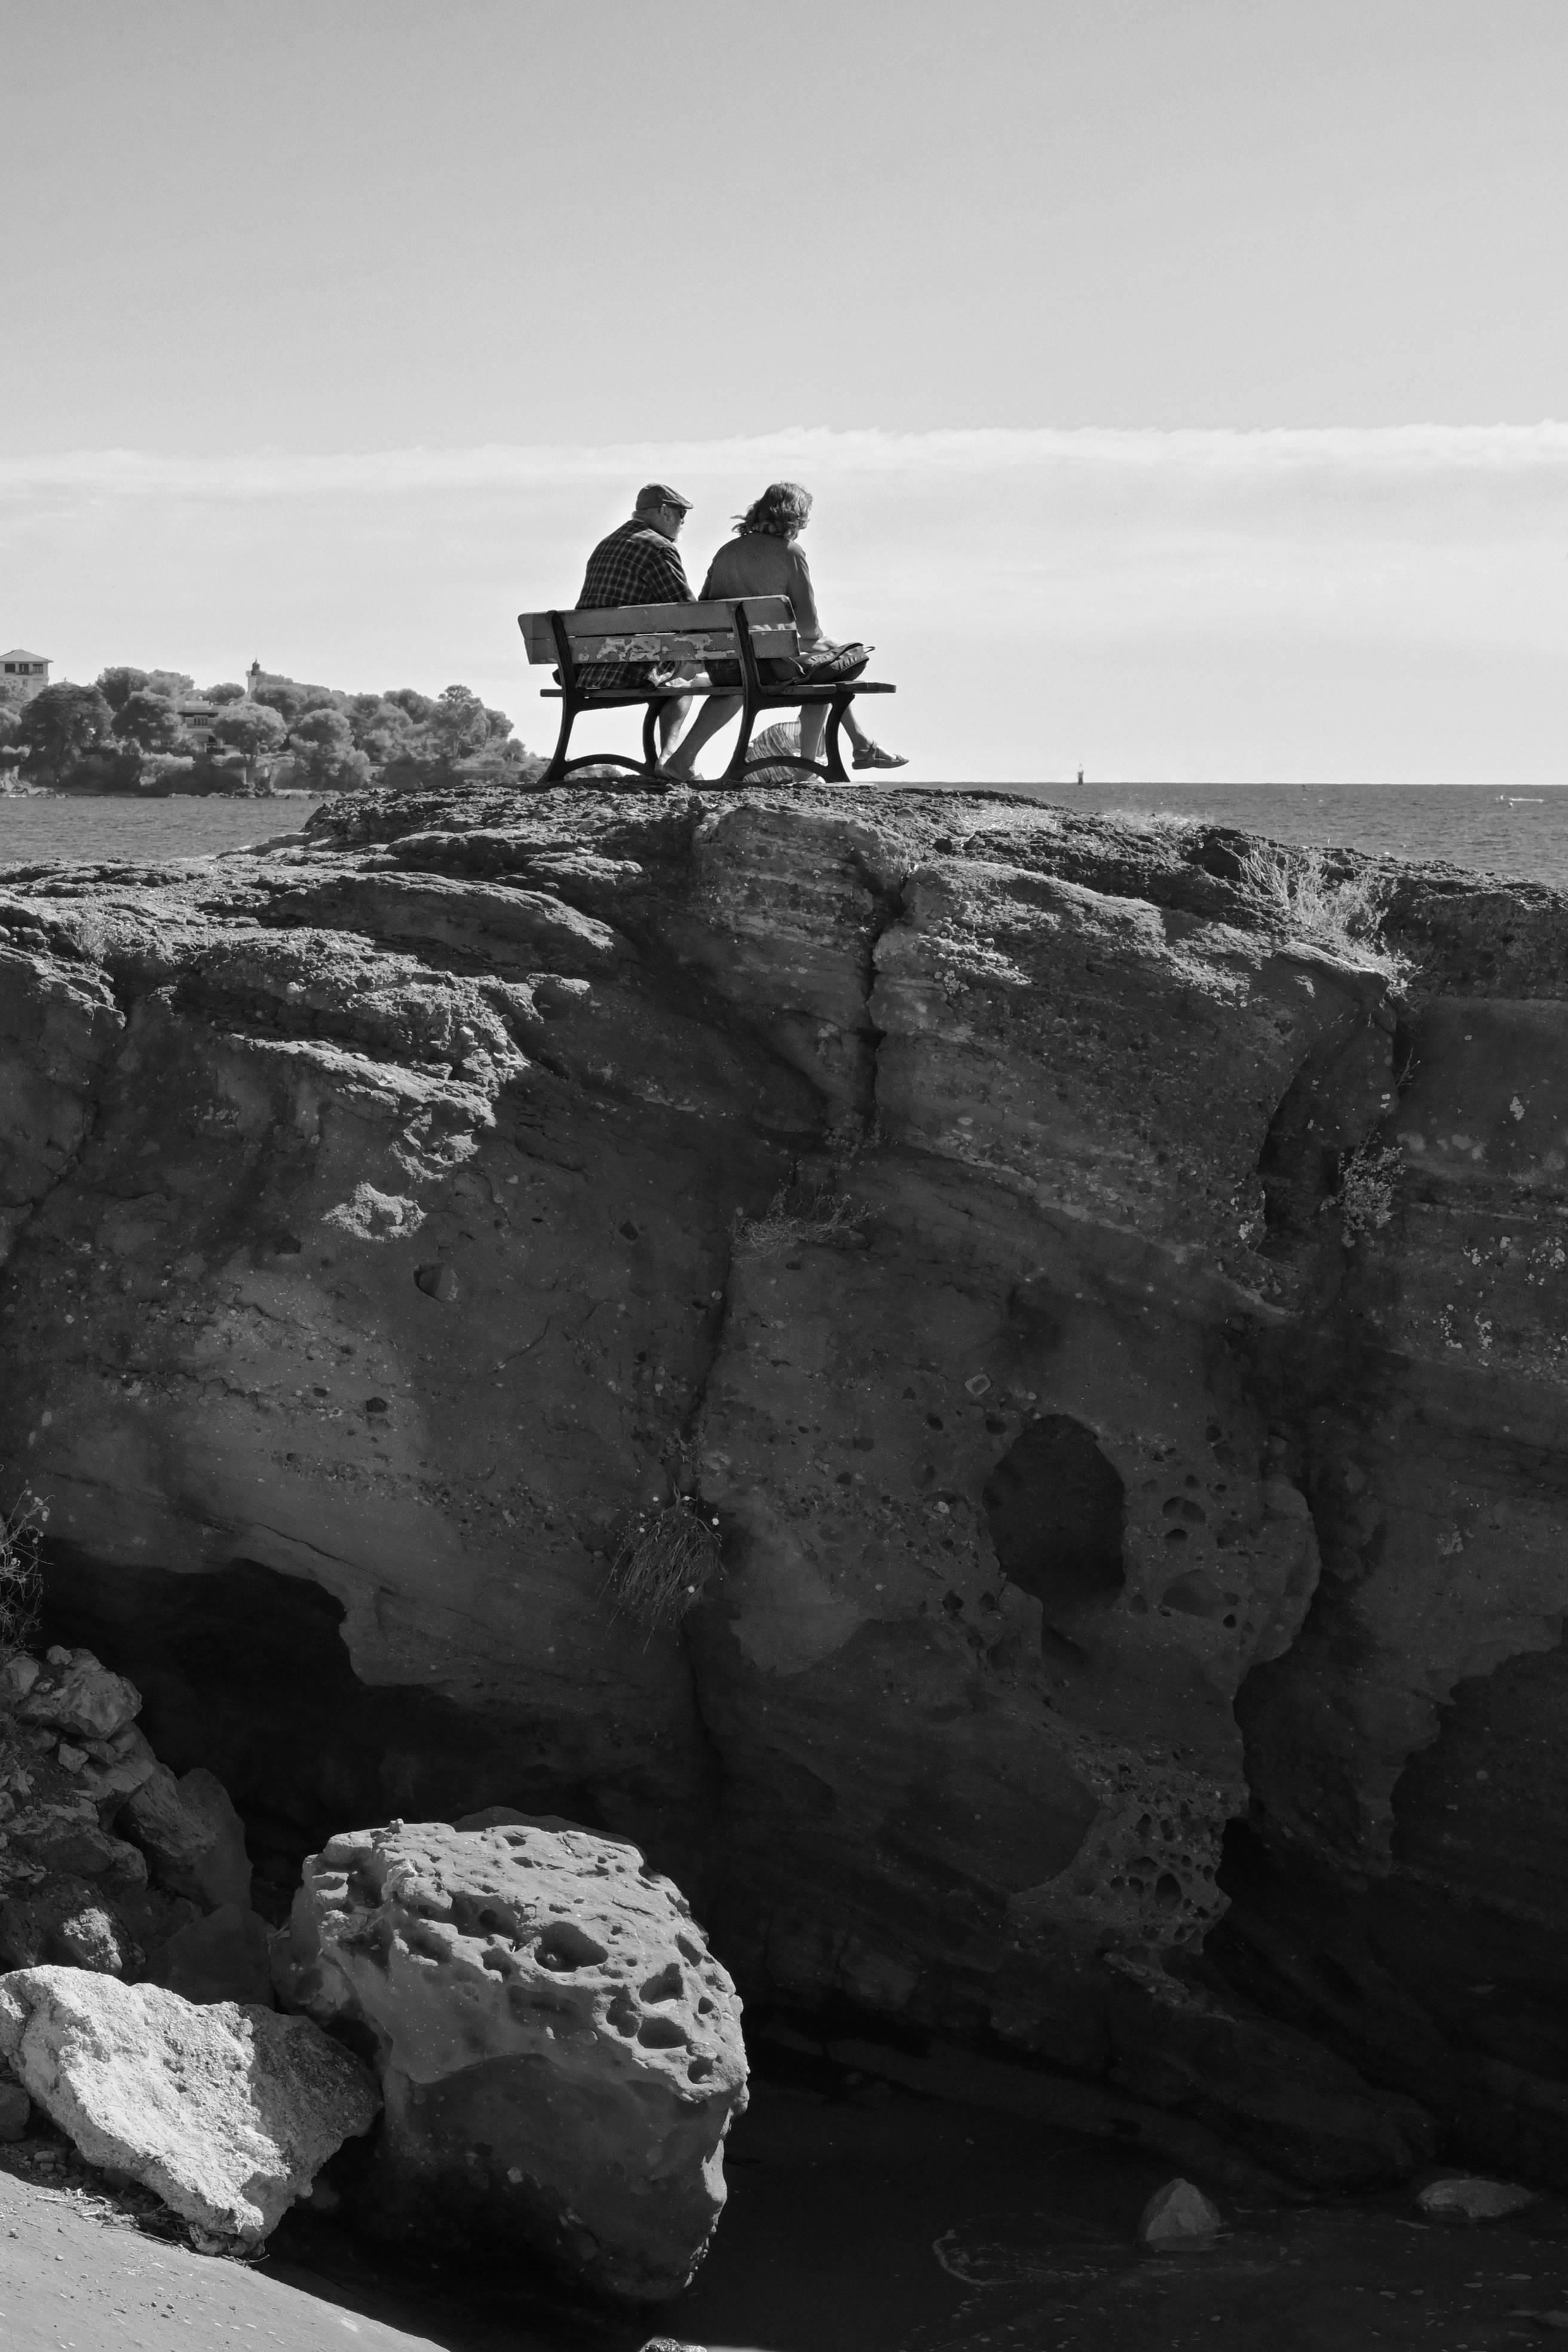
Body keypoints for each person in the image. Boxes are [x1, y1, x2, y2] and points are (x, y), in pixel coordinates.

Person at [662, 482, 907, 782]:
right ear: (797, 518)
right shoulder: (791, 553)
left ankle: (858, 746)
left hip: (724, 666)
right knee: (833, 660)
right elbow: (808, 629)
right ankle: (820, 762)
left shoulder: (726, 552)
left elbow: (705, 608)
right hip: (766, 668)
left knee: (824, 663)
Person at [574, 483, 698, 762]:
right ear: (665, 512)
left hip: (587, 669)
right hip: (629, 668)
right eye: (681, 515)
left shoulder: (605, 545)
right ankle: (670, 758)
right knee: (687, 670)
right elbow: (689, 613)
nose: (682, 523)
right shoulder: (658, 548)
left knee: (677, 659)